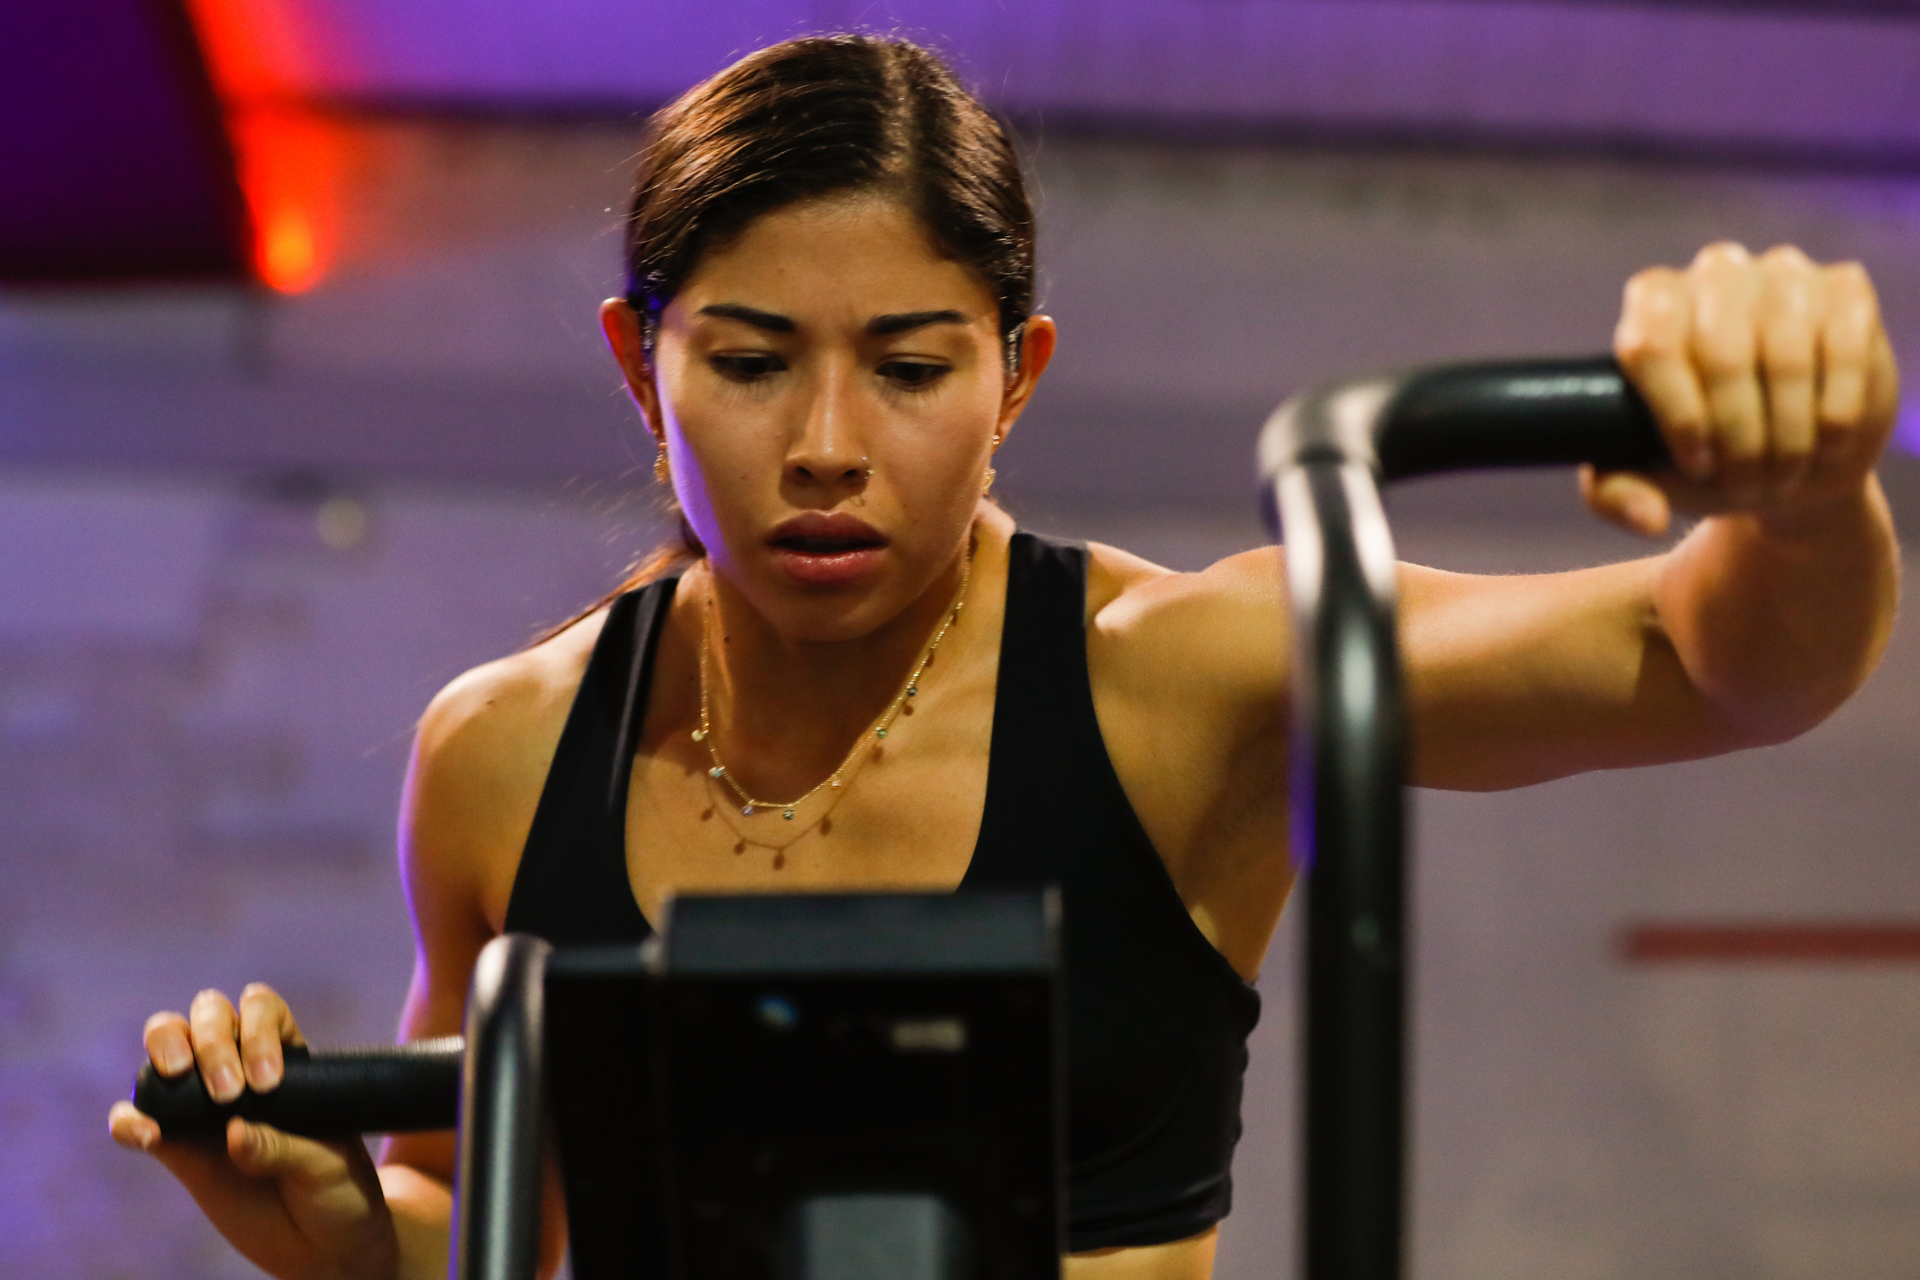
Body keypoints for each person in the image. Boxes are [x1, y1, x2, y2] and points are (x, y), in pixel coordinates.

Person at [109, 33, 1899, 1280]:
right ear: (639, 372)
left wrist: (1807, 491)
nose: (826, 446)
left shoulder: (1183, 677)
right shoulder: (502, 752)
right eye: (748, 364)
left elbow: (1713, 661)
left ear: (1014, 379)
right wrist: (334, 1234)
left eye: (909, 368)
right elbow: (468, 1217)